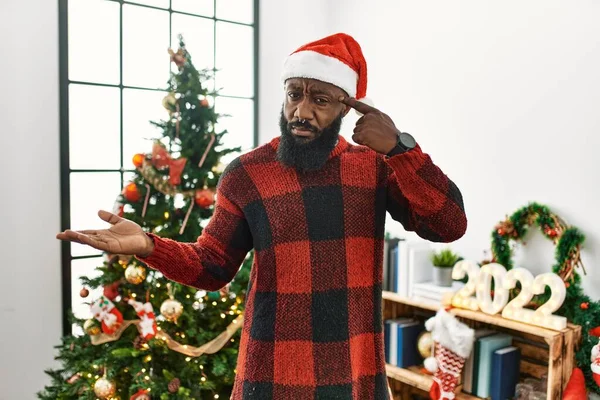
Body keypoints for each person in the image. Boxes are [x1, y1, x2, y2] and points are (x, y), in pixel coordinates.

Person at [57, 33, 467, 400]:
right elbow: (212, 267)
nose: (301, 112)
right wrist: (149, 244)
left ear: (347, 108)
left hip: (353, 369)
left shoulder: (374, 167)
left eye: (320, 100)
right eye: (294, 94)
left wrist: (400, 147)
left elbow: (448, 224)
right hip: (270, 373)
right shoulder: (246, 174)